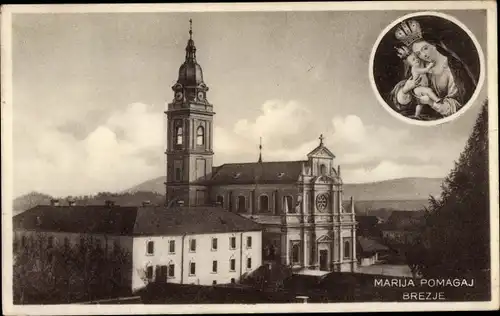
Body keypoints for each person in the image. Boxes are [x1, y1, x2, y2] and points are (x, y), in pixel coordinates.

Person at [390, 19, 478, 120]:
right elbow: (409, 96)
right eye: (418, 53)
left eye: (425, 48)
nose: (423, 55)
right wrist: (405, 89)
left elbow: (457, 106)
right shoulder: (421, 65)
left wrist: (430, 102)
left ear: (434, 45)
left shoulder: (454, 69)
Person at [396, 46, 441, 119]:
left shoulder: (419, 65)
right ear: (410, 64)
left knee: (420, 104)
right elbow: (425, 70)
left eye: (416, 58)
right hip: (418, 88)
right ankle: (437, 100)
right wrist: (430, 65)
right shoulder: (415, 68)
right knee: (429, 91)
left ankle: (417, 115)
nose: (416, 60)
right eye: (413, 60)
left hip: (420, 88)